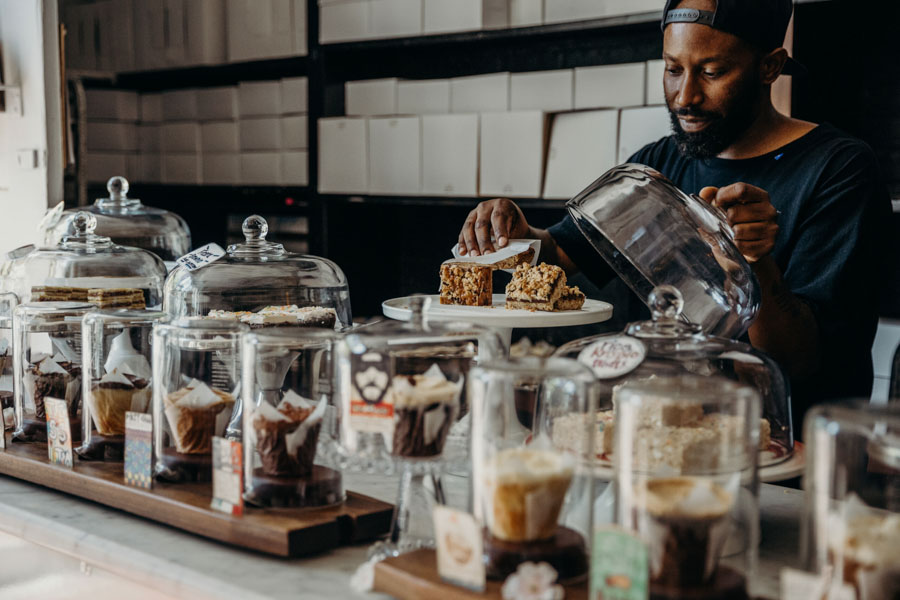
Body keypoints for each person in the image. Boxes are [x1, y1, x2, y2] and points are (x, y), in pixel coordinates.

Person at [456, 0, 891, 426]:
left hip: (787, 454)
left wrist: (755, 263)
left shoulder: (838, 168)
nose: (685, 96)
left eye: (711, 72)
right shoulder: (658, 163)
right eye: (672, 68)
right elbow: (557, 257)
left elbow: (796, 361)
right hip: (666, 429)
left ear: (770, 67)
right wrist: (514, 231)